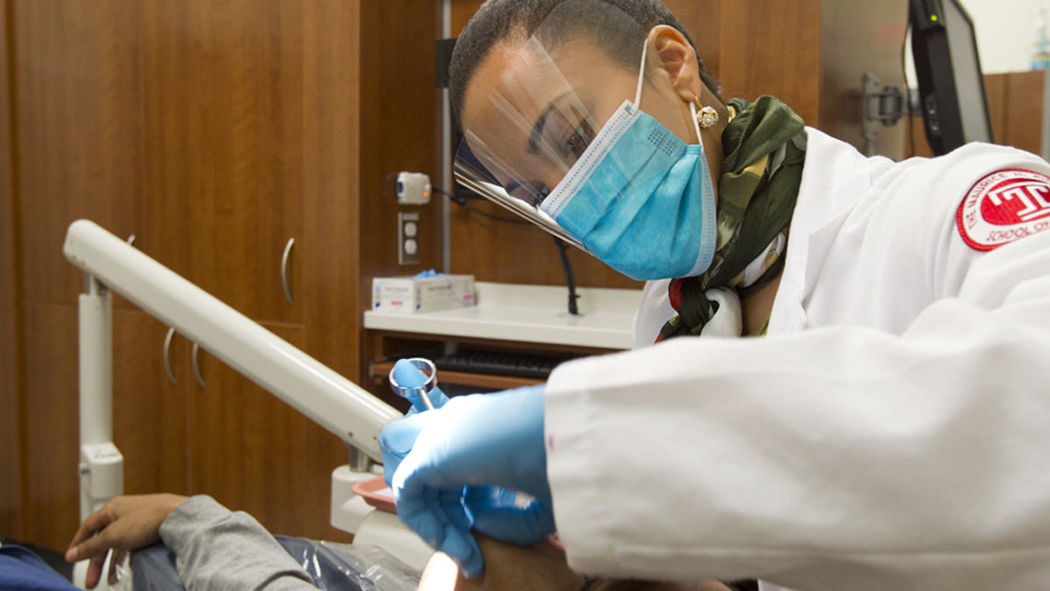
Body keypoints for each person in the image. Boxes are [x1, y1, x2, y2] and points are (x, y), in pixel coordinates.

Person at [379, 1, 1050, 590]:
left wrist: (593, 440)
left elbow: (1028, 414)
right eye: (538, 192)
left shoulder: (953, 207)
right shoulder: (672, 312)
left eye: (572, 138)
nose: (572, 195)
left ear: (674, 66)